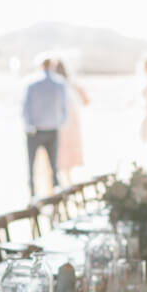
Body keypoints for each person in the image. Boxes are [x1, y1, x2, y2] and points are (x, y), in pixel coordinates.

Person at [21, 55, 68, 197]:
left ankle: (33, 196)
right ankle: (56, 197)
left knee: (31, 167)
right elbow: (64, 109)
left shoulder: (32, 83)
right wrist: (59, 123)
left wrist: (29, 126)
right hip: (52, 129)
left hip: (35, 130)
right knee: (54, 167)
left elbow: (25, 108)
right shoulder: (59, 83)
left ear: (41, 66)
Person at [53, 58, 89, 182]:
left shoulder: (56, 84)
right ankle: (68, 179)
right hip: (73, 120)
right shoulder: (72, 84)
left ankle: (64, 180)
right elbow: (86, 101)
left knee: (61, 150)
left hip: (60, 121)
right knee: (68, 150)